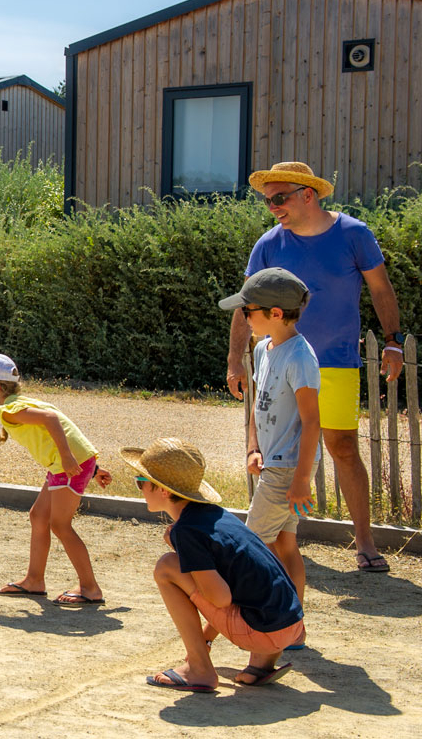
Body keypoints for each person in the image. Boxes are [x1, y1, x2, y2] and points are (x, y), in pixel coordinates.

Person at [226, 161, 402, 574]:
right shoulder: (267, 243)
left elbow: (380, 288)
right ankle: (284, 541)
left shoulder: (354, 234)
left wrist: (393, 341)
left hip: (336, 362)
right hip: (279, 361)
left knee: (342, 448)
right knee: (274, 451)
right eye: (267, 200)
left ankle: (365, 540)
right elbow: (245, 301)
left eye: (279, 198)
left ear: (309, 195)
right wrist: (236, 357)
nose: (272, 207)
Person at [125, 438, 304, 693]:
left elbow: (220, 598)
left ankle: (199, 670)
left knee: (166, 567)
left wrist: (183, 552)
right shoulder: (216, 516)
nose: (139, 488)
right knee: (245, 583)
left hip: (264, 632)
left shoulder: (186, 531)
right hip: (290, 625)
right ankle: (261, 665)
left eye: (141, 482)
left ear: (162, 490)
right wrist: (207, 638)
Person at [0, 353, 112, 606]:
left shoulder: (9, 410)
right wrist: (90, 467)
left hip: (66, 465)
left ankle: (90, 588)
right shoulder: (19, 402)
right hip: (67, 463)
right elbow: (57, 426)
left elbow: (51, 420)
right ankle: (34, 580)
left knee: (60, 525)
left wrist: (71, 459)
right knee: (39, 516)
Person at [219, 267, 318, 647]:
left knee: (246, 550)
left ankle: (213, 636)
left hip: (287, 470)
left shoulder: (301, 357)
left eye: (249, 311)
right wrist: (253, 446)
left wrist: (301, 480)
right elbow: (258, 408)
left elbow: (312, 423)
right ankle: (294, 630)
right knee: (284, 545)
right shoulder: (263, 349)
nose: (244, 318)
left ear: (276, 313)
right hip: (273, 462)